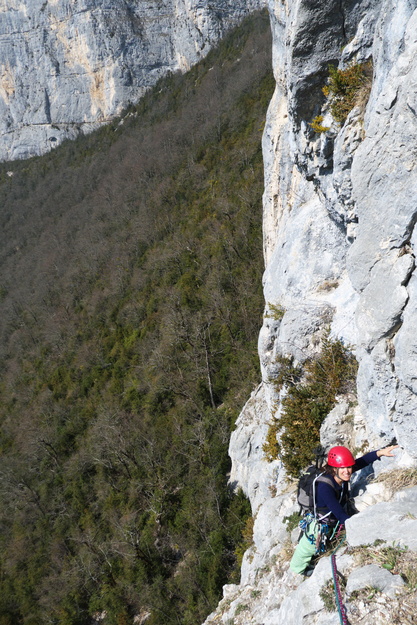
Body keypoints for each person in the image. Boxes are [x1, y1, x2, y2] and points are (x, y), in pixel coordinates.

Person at [289, 444, 399, 575]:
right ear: (333, 468)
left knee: (321, 546)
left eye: (349, 467)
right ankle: (300, 570)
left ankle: (317, 557)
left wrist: (379, 452)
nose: (347, 471)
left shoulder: (341, 474)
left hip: (331, 522)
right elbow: (341, 515)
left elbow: (361, 462)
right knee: (307, 549)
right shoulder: (325, 487)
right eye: (342, 468)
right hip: (320, 525)